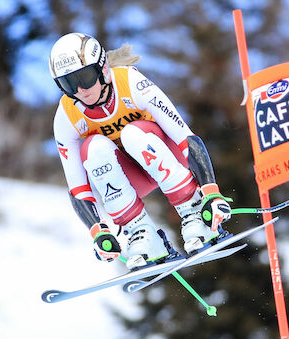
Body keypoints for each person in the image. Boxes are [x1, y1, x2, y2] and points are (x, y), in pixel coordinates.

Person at [48, 33, 232, 270]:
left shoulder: (131, 83)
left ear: (102, 69)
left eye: (84, 77)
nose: (80, 90)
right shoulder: (66, 117)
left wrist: (211, 192)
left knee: (131, 133)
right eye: (68, 84)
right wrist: (98, 231)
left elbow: (184, 137)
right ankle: (143, 234)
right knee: (92, 149)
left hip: (167, 156)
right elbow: (77, 187)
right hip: (131, 179)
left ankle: (193, 210)